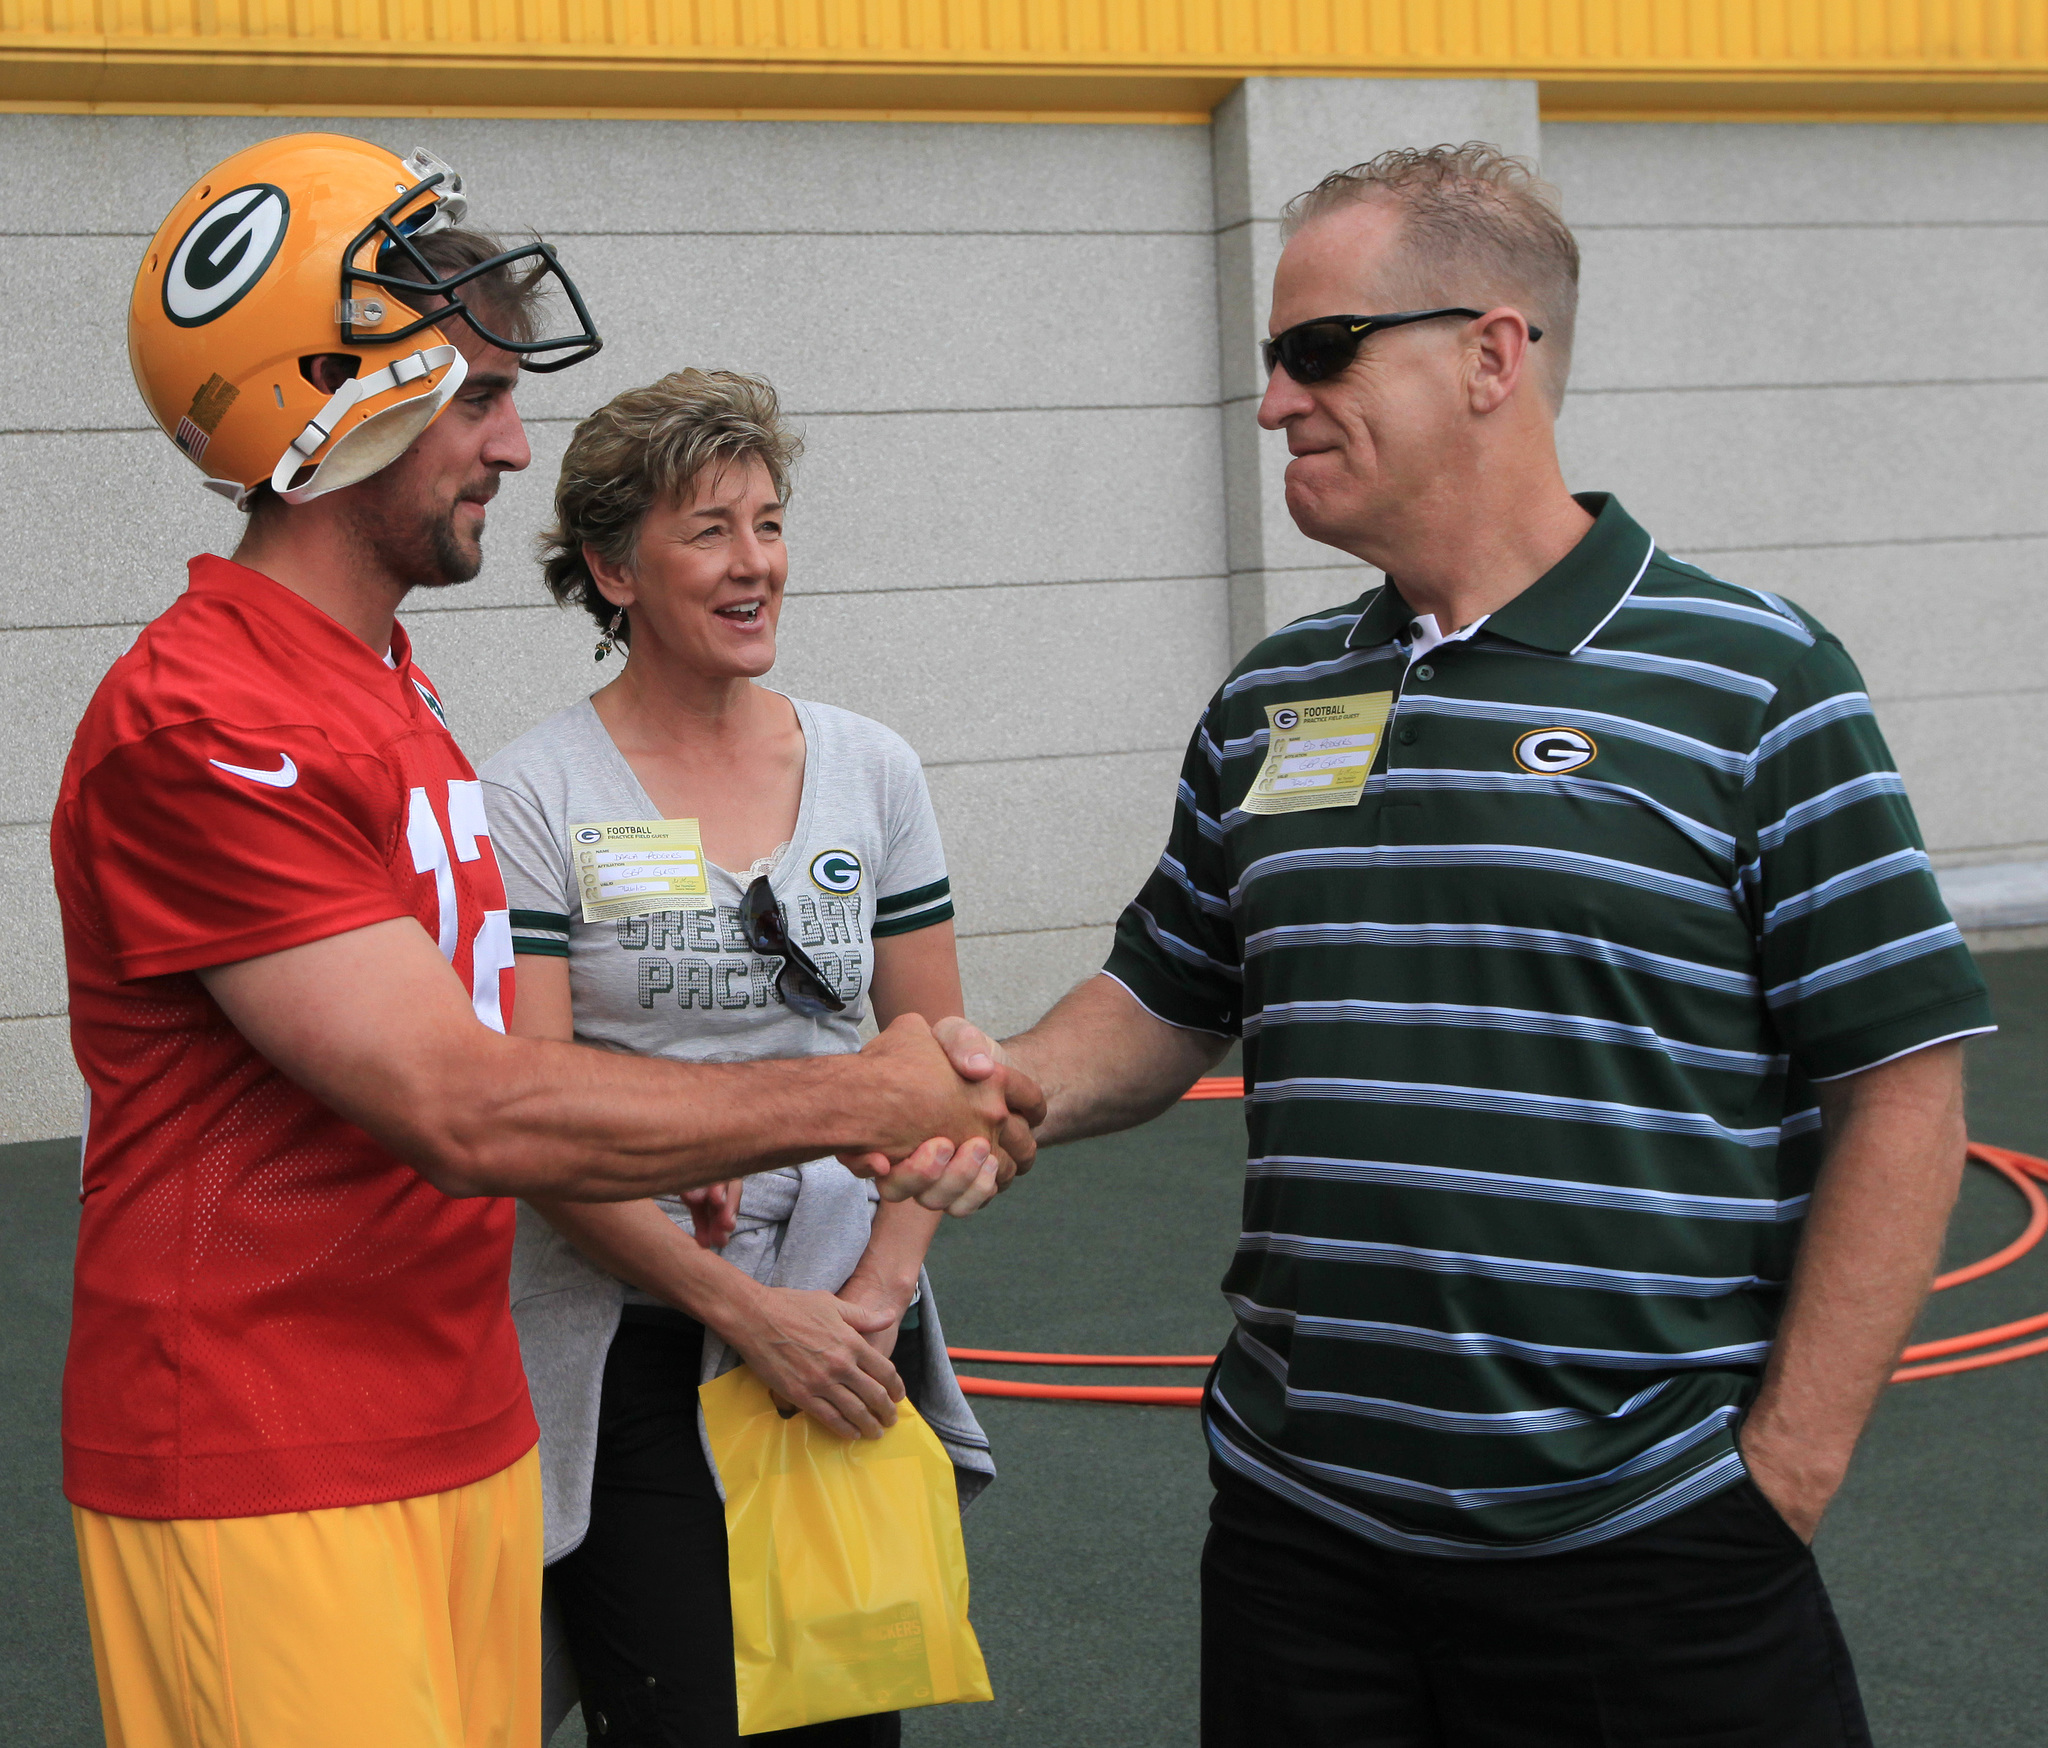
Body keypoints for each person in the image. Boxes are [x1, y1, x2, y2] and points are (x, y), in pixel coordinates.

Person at [921, 144, 1990, 1744]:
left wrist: (1781, 1475)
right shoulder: (1275, 699)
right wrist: (1002, 1084)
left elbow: (1903, 1092)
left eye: (1317, 351)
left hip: (1648, 1546)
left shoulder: (1757, 681)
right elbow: (1163, 992)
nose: (1275, 402)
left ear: (1493, 355)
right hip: (1302, 1540)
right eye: (1271, 362)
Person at [57, 136, 1036, 1748]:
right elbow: (473, 1105)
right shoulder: (205, 720)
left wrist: (672, 1137)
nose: (514, 444)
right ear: (326, 398)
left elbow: (499, 1080)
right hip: (269, 1450)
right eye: (472, 397)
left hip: (452, 1426)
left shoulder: (383, 690)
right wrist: (866, 1096)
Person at [482, 368, 991, 1748]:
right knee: (681, 1718)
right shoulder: (532, 791)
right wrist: (735, 1307)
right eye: (708, 530)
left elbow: (934, 1069)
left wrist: (878, 1294)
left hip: (843, 1339)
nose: (754, 563)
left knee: (841, 1725)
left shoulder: (873, 768)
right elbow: (530, 1122)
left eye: (767, 523)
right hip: (631, 1332)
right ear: (610, 568)